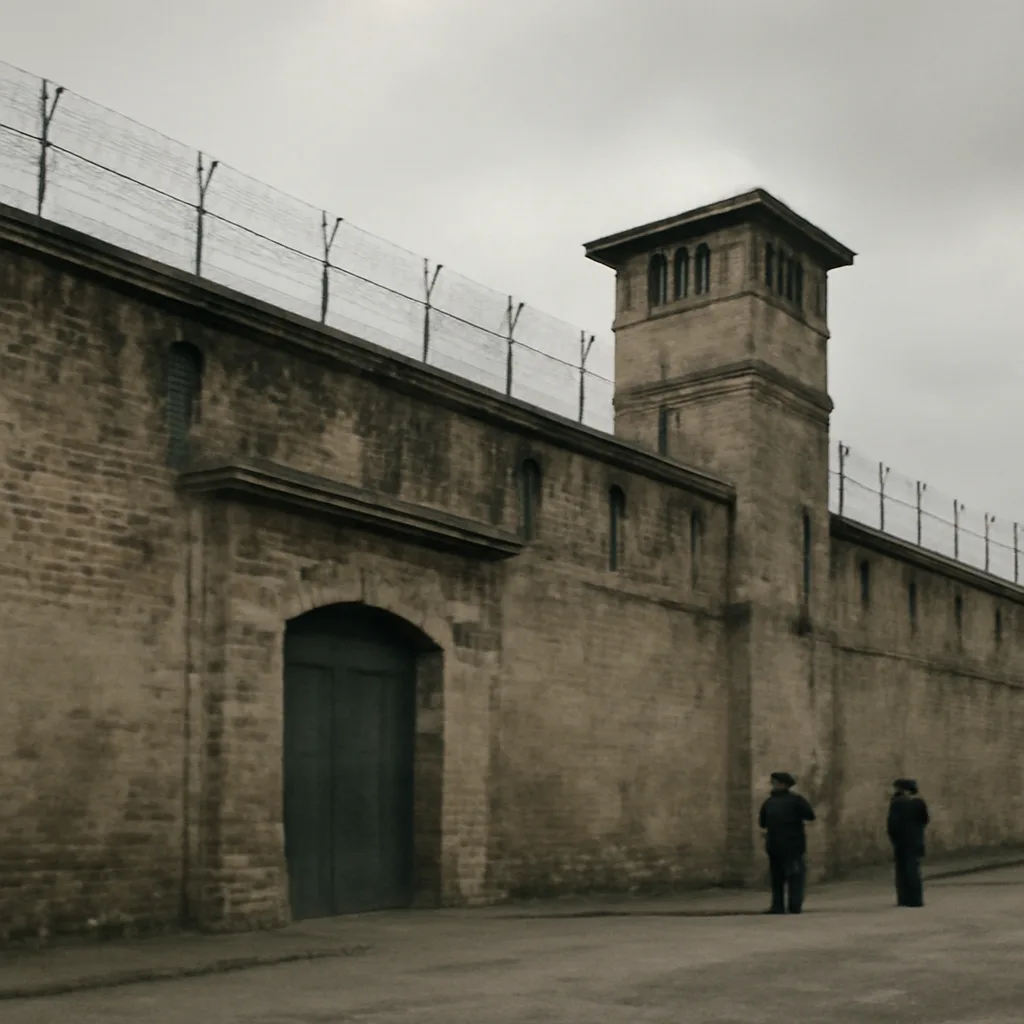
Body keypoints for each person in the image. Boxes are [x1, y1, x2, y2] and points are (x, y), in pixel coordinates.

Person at [758, 771, 816, 915]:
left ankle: (777, 906)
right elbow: (810, 815)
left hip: (774, 844)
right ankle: (794, 905)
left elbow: (762, 823)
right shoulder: (796, 800)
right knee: (795, 876)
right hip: (793, 844)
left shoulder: (768, 802)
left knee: (777, 877)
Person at [887, 777, 930, 908]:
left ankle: (904, 898)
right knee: (914, 869)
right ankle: (916, 899)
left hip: (901, 841)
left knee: (902, 870)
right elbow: (925, 820)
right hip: (916, 839)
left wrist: (894, 839)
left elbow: (892, 825)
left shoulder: (897, 803)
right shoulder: (919, 803)